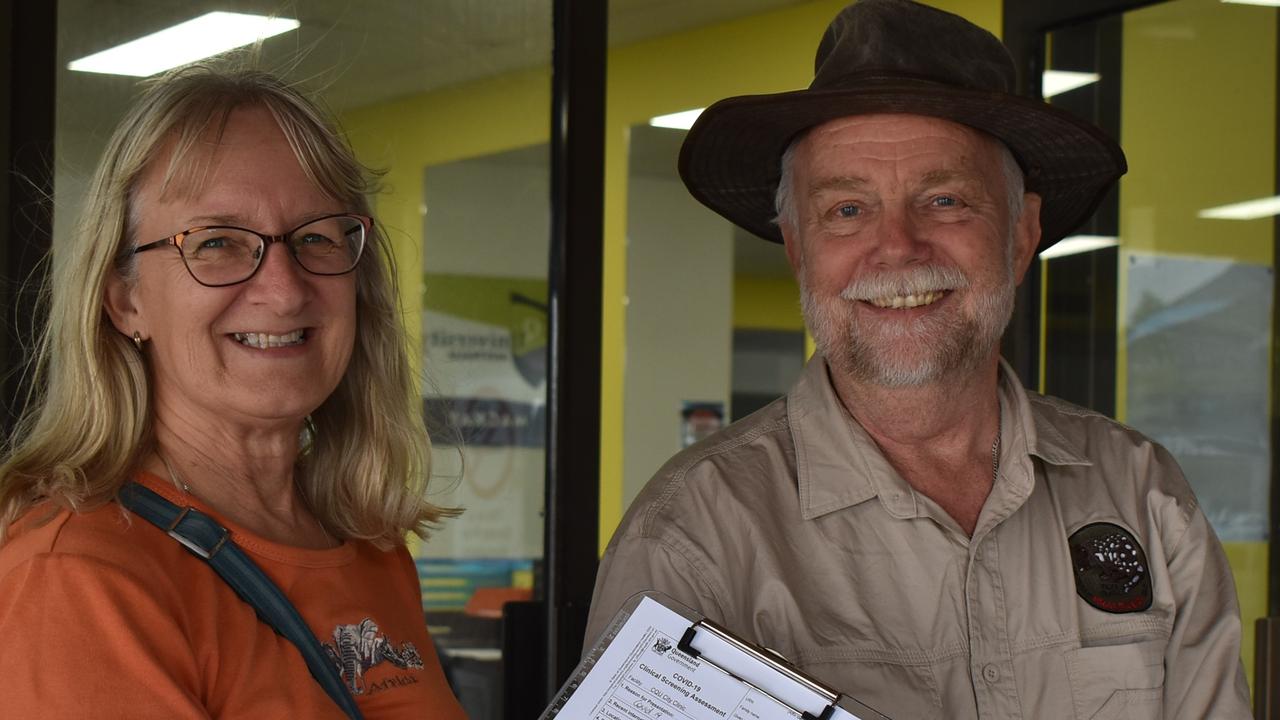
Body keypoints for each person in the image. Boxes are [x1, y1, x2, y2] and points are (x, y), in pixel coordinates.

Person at [586, 1, 1252, 717]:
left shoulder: (1143, 496)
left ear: (1022, 234)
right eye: (847, 209)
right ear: (797, 245)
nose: (898, 247)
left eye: (944, 200)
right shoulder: (695, 538)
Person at [0, 62, 467, 718]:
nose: (283, 289)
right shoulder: (80, 577)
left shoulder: (367, 550)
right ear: (125, 301)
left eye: (315, 237)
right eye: (217, 242)